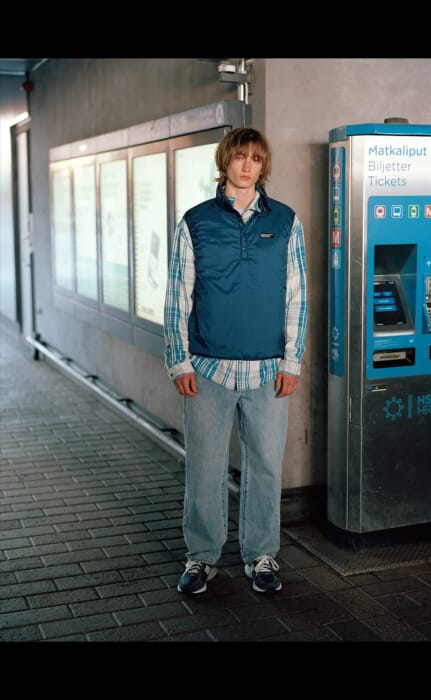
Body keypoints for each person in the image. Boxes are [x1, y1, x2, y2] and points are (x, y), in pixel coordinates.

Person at [164, 127, 307, 595]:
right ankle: (201, 558)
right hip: (207, 368)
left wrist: (292, 361)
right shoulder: (196, 222)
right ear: (225, 161)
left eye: (256, 159)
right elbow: (177, 296)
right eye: (240, 156)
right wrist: (179, 362)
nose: (247, 166)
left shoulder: (286, 221)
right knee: (204, 467)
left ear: (264, 166)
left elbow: (297, 296)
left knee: (265, 467)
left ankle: (260, 555)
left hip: (268, 370)